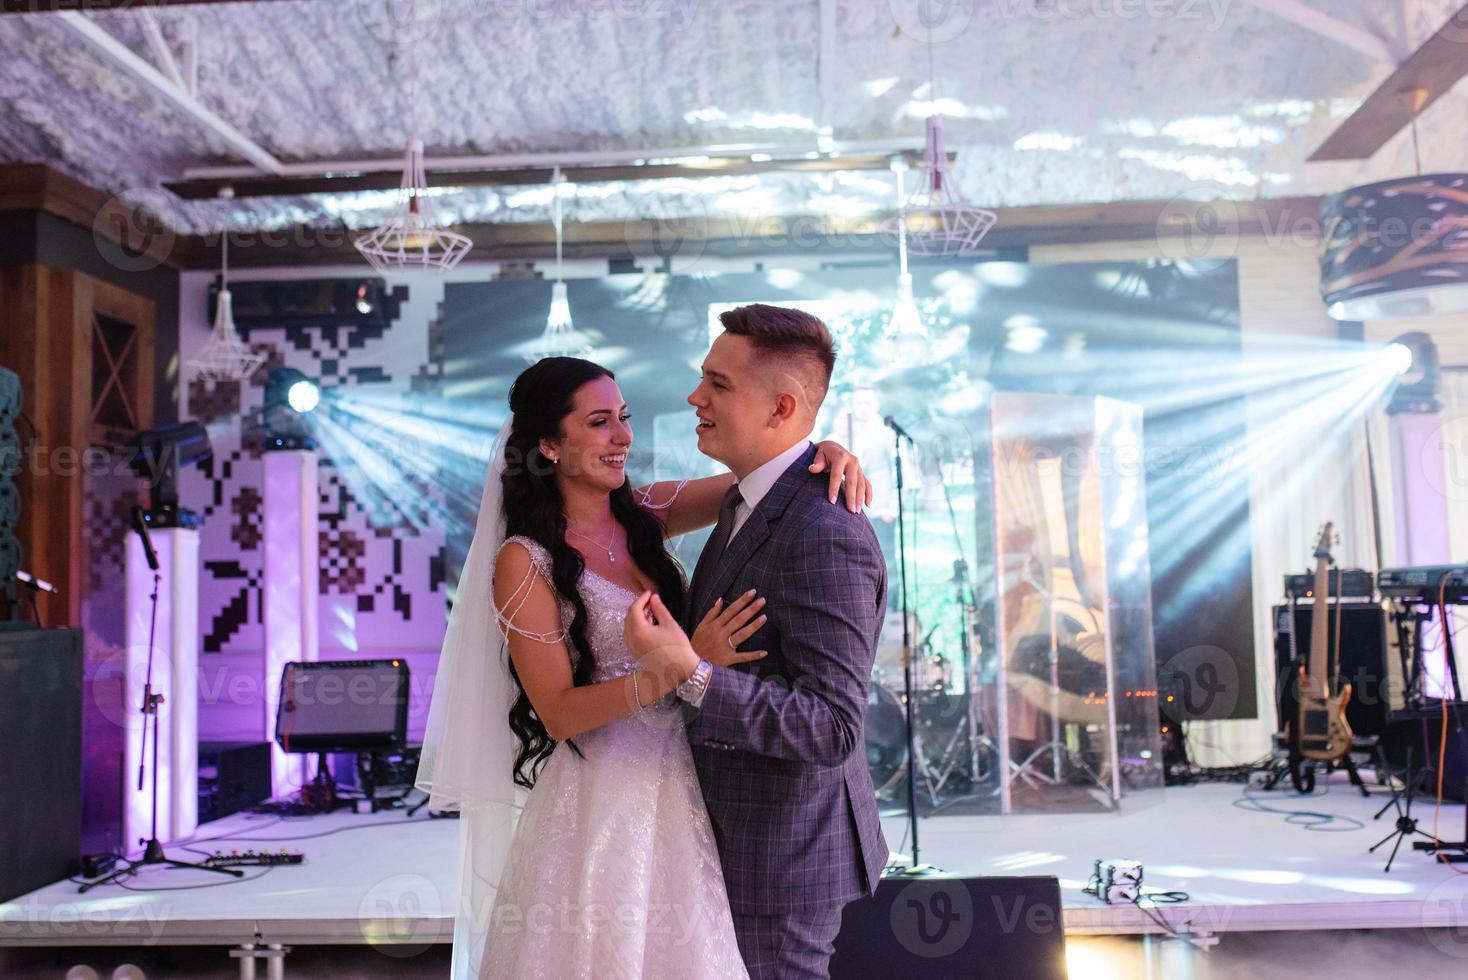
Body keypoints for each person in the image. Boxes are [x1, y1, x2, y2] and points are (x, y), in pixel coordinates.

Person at [414, 355, 870, 980]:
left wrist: (830, 453)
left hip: (689, 780)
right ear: (548, 445)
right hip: (606, 800)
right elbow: (558, 713)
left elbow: (771, 481)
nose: (623, 437)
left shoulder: (644, 512)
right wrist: (678, 668)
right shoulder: (524, 561)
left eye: (623, 419)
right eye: (600, 423)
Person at [624, 304, 889, 980]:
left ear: (781, 408)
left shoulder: (823, 530)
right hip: (719, 833)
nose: (695, 397)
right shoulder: (750, 498)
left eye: (718, 383)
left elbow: (832, 727)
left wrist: (693, 674)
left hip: (781, 854)